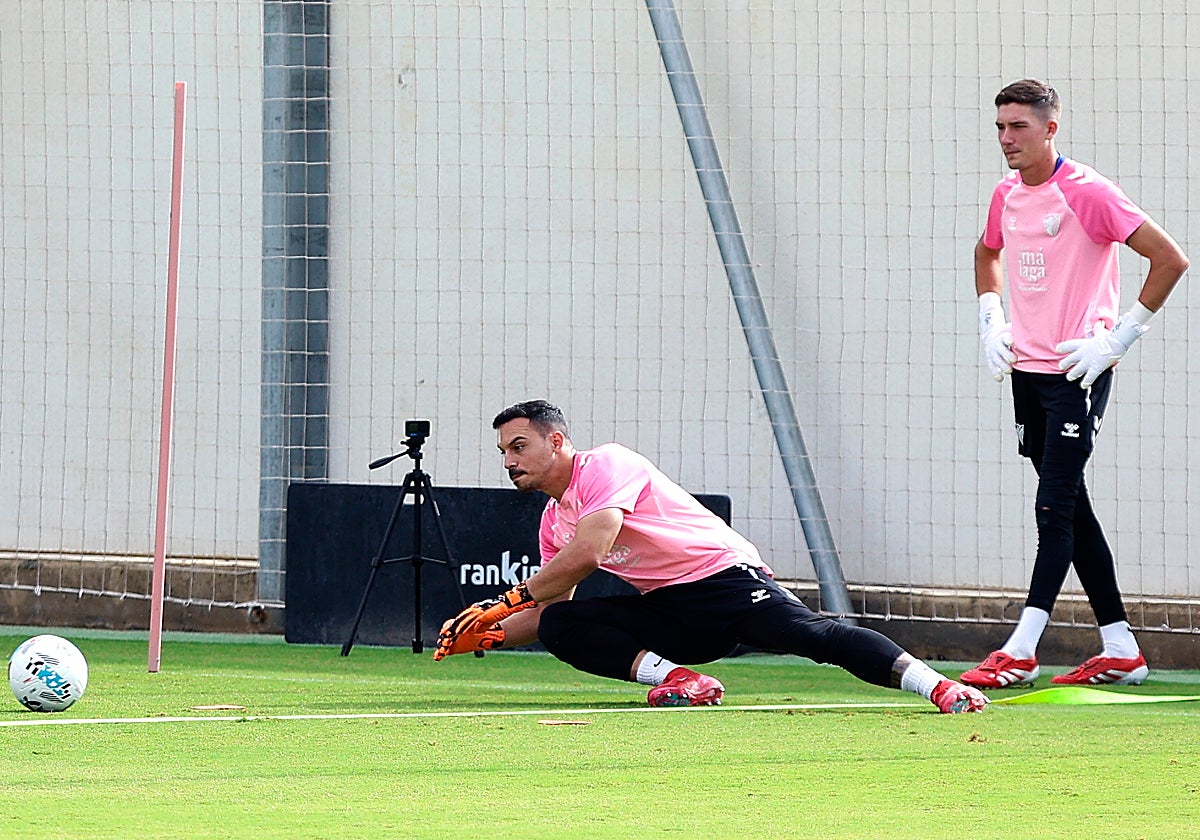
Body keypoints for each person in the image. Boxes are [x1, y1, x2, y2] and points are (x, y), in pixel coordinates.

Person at [434, 399, 989, 714]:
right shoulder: (553, 522)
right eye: (504, 452)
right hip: (673, 612)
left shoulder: (604, 464)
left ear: (556, 442)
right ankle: (684, 680)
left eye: (518, 447)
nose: (509, 461)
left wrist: (506, 602)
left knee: (815, 638)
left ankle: (937, 685)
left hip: (725, 582)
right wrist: (491, 634)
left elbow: (593, 548)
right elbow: (555, 601)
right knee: (561, 623)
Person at [964, 79, 1188, 689]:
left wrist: (1118, 338)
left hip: (1076, 374)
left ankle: (1022, 647)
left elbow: (1170, 259)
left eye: (1019, 127)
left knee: (1053, 505)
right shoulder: (1006, 194)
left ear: (1050, 129)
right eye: (1001, 128)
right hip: (1027, 375)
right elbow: (987, 253)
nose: (1008, 139)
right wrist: (992, 319)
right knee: (1069, 503)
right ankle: (1121, 647)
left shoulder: (1088, 193)